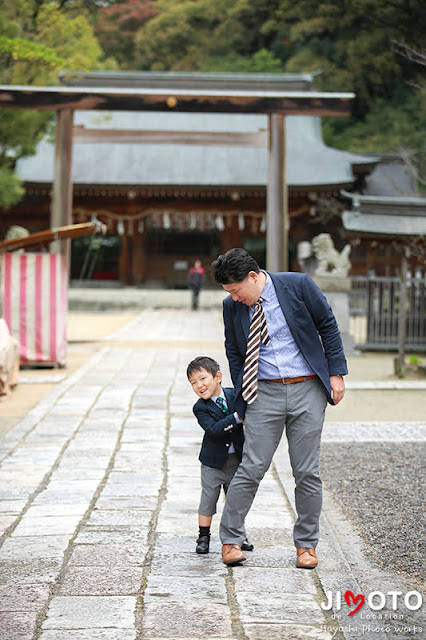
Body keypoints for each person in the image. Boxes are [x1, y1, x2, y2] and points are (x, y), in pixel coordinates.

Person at [211, 248, 347, 568]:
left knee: (306, 471)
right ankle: (230, 540)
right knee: (252, 466)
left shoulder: (298, 285)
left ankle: (307, 545)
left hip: (307, 389)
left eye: (236, 289)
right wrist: (242, 397)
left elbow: (328, 324)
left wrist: (336, 373)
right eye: (228, 292)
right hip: (264, 393)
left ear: (254, 277)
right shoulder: (232, 307)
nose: (234, 297)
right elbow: (235, 352)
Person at [187, 355, 253, 556]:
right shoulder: (200, 407)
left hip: (235, 460)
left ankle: (238, 535)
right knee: (209, 498)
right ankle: (203, 536)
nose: (199, 385)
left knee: (235, 498)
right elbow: (214, 429)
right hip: (212, 463)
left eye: (203, 378)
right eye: (193, 383)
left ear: (218, 377)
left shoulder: (235, 396)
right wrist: (236, 418)